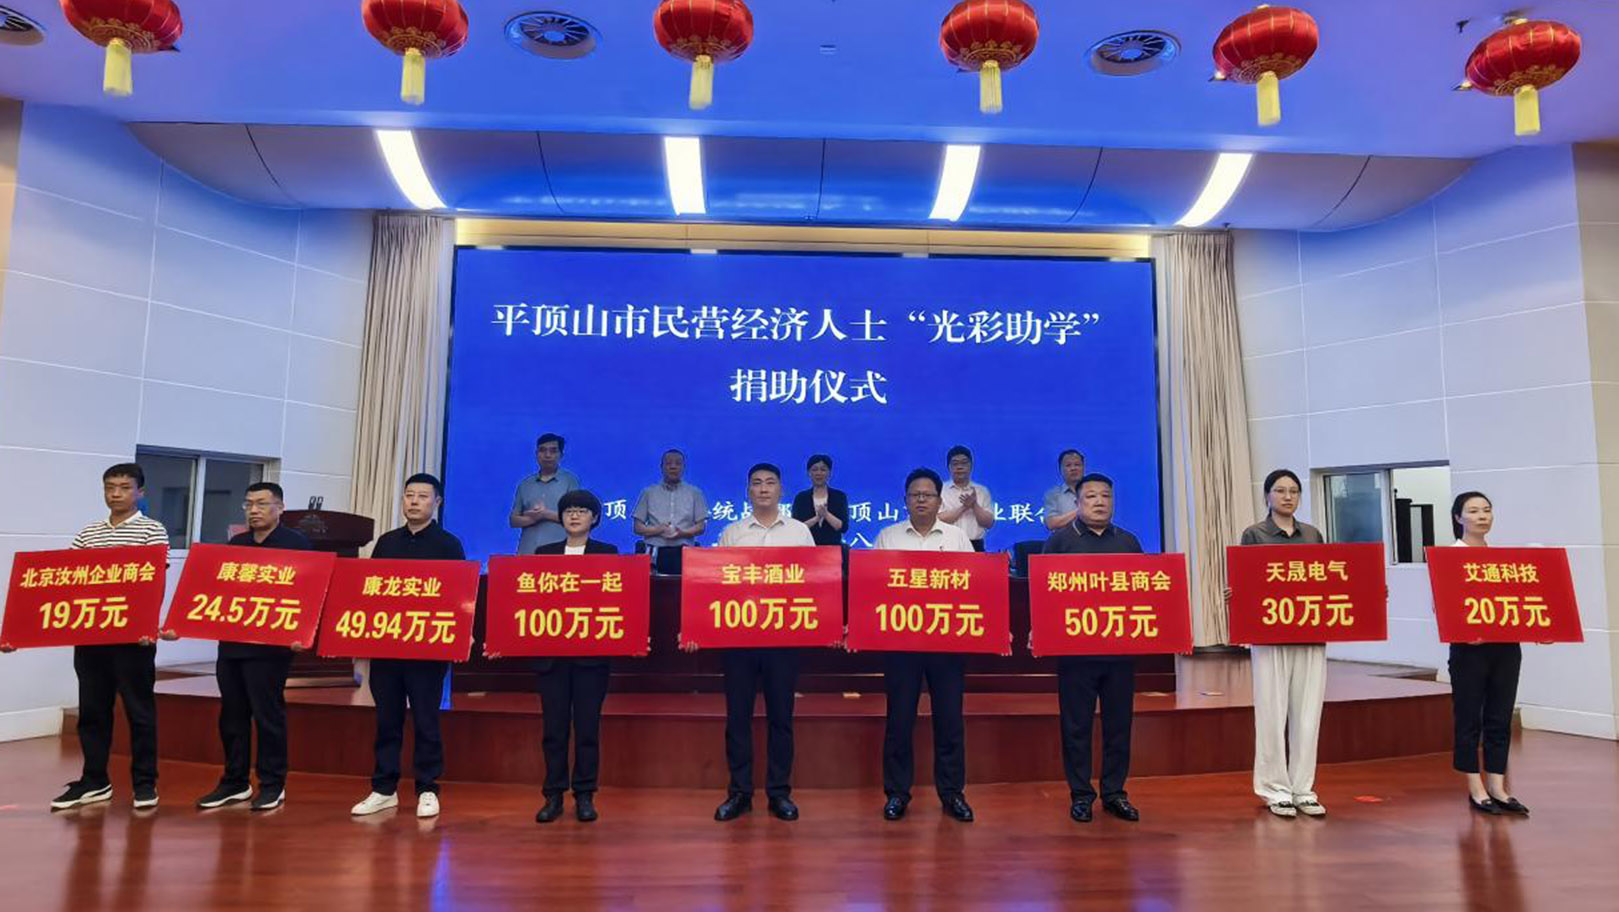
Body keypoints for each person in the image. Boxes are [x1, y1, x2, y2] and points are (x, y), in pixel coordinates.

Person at [10, 464, 172, 811]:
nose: (116, 493)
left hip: (133, 640)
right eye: (110, 487)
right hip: (91, 636)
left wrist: (146, 625)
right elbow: (68, 580)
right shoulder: (89, 533)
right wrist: (20, 631)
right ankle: (94, 780)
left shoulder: (151, 531)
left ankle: (145, 783)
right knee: (93, 711)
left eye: (124, 487)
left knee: (139, 712)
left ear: (140, 493)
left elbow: (153, 582)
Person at [350, 473, 465, 821]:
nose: (414, 501)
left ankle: (427, 788)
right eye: (409, 495)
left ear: (437, 503)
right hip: (387, 648)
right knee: (387, 720)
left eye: (422, 496)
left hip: (427, 651)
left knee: (426, 719)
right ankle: (384, 789)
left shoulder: (448, 545)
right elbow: (370, 592)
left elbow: (459, 596)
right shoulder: (386, 543)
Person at [193, 481, 311, 812]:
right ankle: (234, 781)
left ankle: (273, 784)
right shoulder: (238, 544)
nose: (254, 510)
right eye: (249, 504)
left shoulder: (296, 544)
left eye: (261, 504)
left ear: (280, 508)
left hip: (271, 648)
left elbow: (308, 593)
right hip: (232, 644)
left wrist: (302, 633)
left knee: (267, 715)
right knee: (232, 716)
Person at [711, 463, 816, 822]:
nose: (764, 488)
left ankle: (779, 792)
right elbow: (717, 585)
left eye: (770, 483)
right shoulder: (732, 533)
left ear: (781, 490)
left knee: (781, 718)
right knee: (738, 717)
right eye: (756, 483)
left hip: (783, 639)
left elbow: (814, 582)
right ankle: (739, 792)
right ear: (748, 492)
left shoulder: (800, 532)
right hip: (740, 639)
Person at [873, 468, 976, 823]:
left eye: (928, 494)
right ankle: (897, 793)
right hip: (901, 645)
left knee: (949, 720)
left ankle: (952, 793)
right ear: (905, 500)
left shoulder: (957, 538)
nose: (921, 500)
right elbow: (874, 588)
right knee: (899, 720)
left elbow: (975, 588)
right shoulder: (888, 537)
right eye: (915, 494)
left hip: (946, 644)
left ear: (939, 500)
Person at [1042, 473, 1143, 824]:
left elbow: (1143, 594)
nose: (1099, 502)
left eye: (1105, 496)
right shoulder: (1060, 542)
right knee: (1076, 728)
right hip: (1076, 655)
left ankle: (1115, 793)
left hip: (1120, 653)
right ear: (1078, 503)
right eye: (1091, 496)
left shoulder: (1128, 542)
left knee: (1119, 726)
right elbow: (1045, 595)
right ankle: (1081, 795)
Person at [1238, 469, 1328, 819]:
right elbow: (1246, 579)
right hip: (1270, 634)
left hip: (1310, 632)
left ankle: (1303, 788)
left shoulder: (1313, 535)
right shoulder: (1255, 534)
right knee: (1271, 713)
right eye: (1279, 490)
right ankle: (1274, 789)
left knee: (1308, 714)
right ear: (1267, 496)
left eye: (1293, 491)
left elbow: (1328, 578)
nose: (1287, 497)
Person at [532, 489, 619, 825]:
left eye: (582, 511)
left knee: (586, 727)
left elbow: (619, 600)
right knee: (553, 729)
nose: (574, 515)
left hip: (591, 658)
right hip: (551, 657)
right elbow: (530, 602)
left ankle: (584, 794)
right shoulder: (544, 554)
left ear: (594, 518)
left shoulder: (607, 554)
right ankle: (553, 795)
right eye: (569, 510)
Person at [1449, 491, 1530, 817]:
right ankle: (1475, 787)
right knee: (1469, 717)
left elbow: (1519, 602)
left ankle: (1498, 786)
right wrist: (1464, 631)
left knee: (1500, 716)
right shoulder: (1450, 557)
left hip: (1506, 646)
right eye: (1473, 511)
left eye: (1486, 510)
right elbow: (1443, 606)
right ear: (1458, 517)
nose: (1482, 516)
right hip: (1469, 650)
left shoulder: (1502, 558)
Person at [509, 433, 579, 556]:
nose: (547, 455)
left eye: (553, 451)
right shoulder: (525, 484)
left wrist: (545, 514)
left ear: (561, 455)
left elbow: (575, 518)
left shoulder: (570, 481)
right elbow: (513, 520)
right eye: (542, 450)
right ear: (536, 454)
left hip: (559, 553)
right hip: (528, 551)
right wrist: (533, 518)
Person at [632, 449, 708, 551]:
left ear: (683, 468)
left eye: (678, 463)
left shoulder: (695, 493)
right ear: (661, 467)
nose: (673, 467)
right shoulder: (648, 493)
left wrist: (682, 533)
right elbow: (637, 527)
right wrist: (658, 530)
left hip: (685, 551)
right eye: (668, 463)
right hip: (654, 550)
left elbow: (701, 527)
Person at [938, 445, 995, 552]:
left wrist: (974, 505)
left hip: (976, 546)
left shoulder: (982, 491)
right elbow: (937, 520)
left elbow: (988, 523)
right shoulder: (940, 490)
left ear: (971, 466)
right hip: (947, 545)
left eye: (964, 463)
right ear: (948, 467)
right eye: (955, 463)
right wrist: (964, 507)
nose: (959, 467)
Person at [790, 454, 849, 547]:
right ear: (809, 473)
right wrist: (817, 518)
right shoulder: (801, 498)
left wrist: (826, 514)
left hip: (833, 548)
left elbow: (843, 527)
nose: (818, 473)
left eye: (823, 469)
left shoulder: (839, 496)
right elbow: (797, 528)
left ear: (829, 473)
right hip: (807, 547)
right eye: (814, 470)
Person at [1043, 449, 1086, 531]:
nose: (1073, 468)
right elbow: (1051, 524)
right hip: (1064, 538)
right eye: (1068, 465)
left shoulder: (1096, 490)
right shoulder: (1053, 494)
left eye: (1077, 465)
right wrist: (1082, 510)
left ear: (1083, 468)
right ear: (1060, 470)